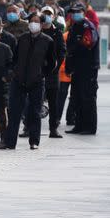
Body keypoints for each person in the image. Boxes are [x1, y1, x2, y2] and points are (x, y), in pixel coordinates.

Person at [0, 13, 56, 151]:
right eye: (31, 21)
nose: (33, 24)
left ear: (41, 24)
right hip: (19, 80)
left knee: (34, 112)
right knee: (14, 111)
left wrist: (42, 74)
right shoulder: (23, 38)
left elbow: (52, 63)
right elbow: (15, 58)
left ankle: (34, 141)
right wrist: (14, 72)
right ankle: (9, 142)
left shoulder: (47, 41)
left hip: (36, 81)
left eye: (36, 22)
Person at [65, 3, 100, 136]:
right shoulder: (74, 27)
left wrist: (75, 47)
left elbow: (87, 43)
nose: (75, 14)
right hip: (77, 69)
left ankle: (89, 127)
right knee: (76, 97)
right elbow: (70, 49)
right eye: (73, 12)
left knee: (88, 98)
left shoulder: (88, 27)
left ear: (84, 13)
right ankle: (79, 125)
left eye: (78, 12)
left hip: (88, 69)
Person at [40, 7, 67, 138]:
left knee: (53, 102)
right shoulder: (36, 31)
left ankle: (53, 128)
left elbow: (62, 52)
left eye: (49, 14)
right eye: (44, 14)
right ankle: (29, 127)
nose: (46, 16)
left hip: (52, 72)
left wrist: (55, 66)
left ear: (54, 16)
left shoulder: (57, 33)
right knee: (33, 102)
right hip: (37, 72)